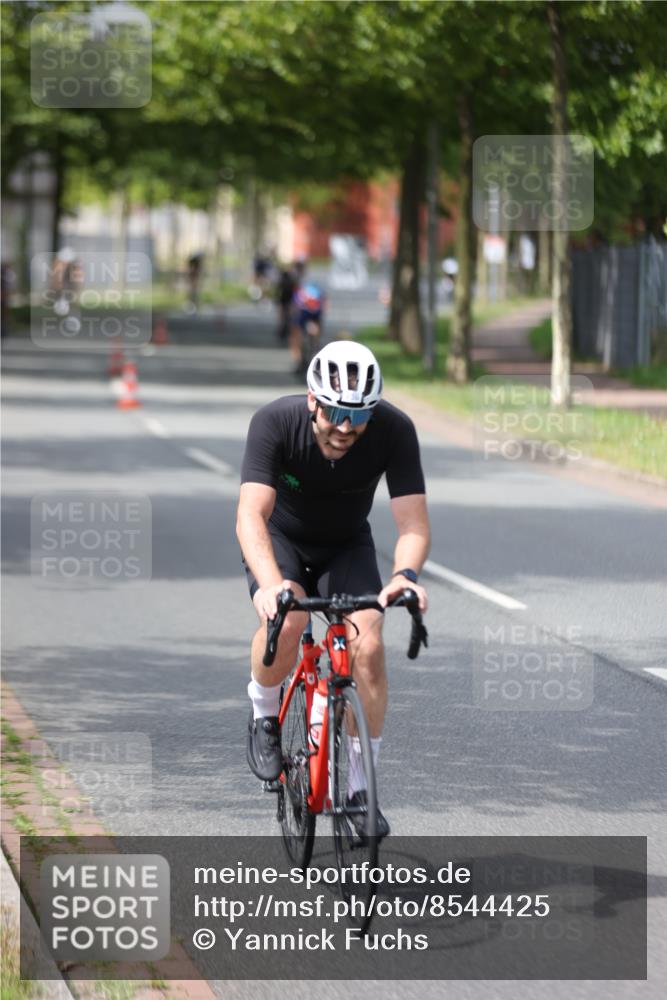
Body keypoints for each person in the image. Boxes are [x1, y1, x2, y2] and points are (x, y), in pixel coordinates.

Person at [236, 341, 430, 839]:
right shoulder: (275, 422)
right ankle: (264, 713)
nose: (346, 427)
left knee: (369, 644)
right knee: (289, 619)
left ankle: (361, 791)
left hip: (346, 545)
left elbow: (412, 524)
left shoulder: (394, 430)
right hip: (281, 541)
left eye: (359, 415)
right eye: (336, 413)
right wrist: (270, 585)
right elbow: (251, 514)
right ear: (312, 401)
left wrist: (404, 577)